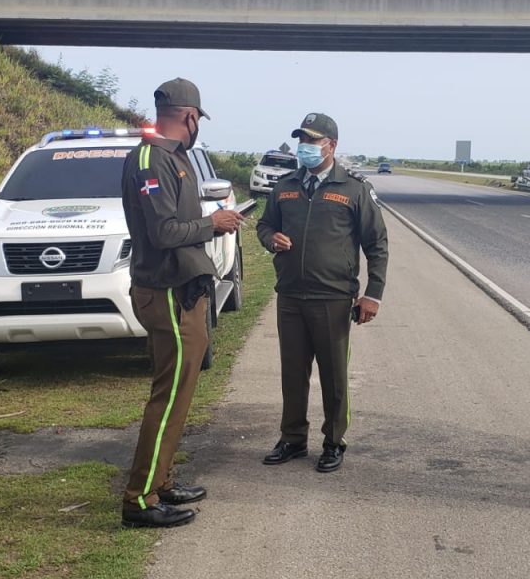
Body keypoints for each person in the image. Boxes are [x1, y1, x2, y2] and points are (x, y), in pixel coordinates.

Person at [119, 78, 244, 528]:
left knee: (179, 394)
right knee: (168, 398)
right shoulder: (152, 161)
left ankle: (161, 481)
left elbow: (178, 223)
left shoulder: (174, 158)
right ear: (190, 117)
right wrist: (214, 223)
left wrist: (212, 223)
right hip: (166, 293)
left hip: (183, 291)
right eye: (198, 121)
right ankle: (139, 500)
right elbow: (163, 232)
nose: (197, 128)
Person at [256, 112, 389, 472]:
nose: (305, 147)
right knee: (292, 373)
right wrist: (271, 239)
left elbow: (376, 244)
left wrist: (372, 294)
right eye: (302, 140)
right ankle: (293, 438)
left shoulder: (354, 190)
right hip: (291, 296)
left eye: (313, 141)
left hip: (332, 297)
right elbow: (265, 224)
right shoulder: (285, 186)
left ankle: (334, 441)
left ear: (331, 145)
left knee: (333, 376)